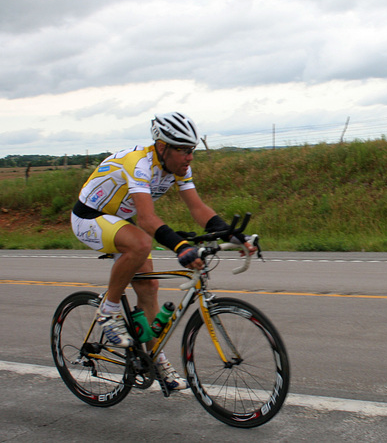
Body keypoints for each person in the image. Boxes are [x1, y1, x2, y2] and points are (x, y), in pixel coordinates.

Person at [71, 112, 256, 391]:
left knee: (149, 287)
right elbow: (146, 220)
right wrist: (181, 247)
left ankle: (156, 361)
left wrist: (235, 235)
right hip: (88, 217)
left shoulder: (179, 168)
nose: (189, 157)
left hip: (120, 221)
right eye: (182, 150)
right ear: (161, 147)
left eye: (191, 150)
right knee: (141, 242)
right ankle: (107, 313)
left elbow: (198, 209)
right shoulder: (139, 165)